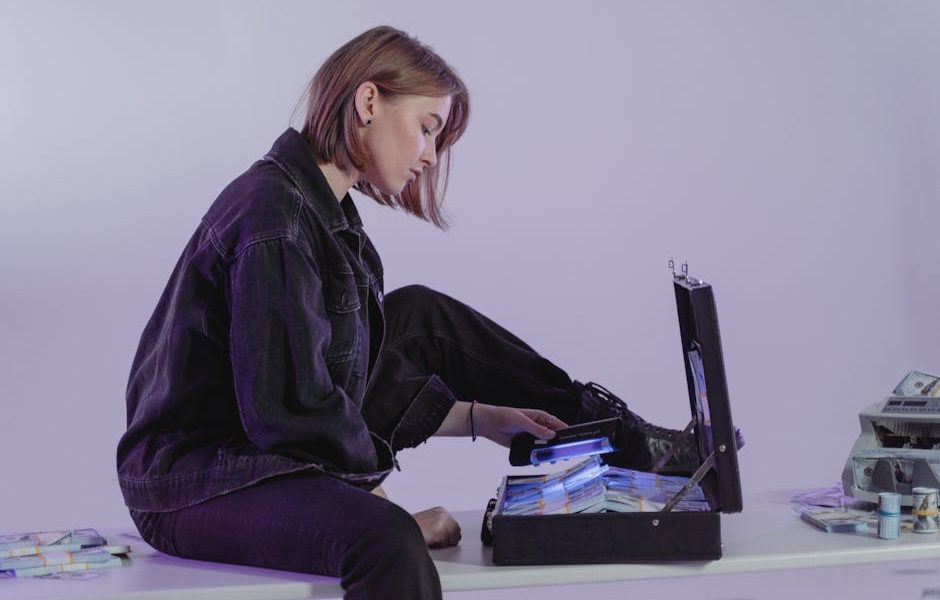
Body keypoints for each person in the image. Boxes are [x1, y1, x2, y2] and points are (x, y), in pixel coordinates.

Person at [116, 25, 700, 599]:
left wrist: (481, 418)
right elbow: (293, 410)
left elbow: (340, 375)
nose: (430, 155)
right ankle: (630, 448)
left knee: (422, 317)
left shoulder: (324, 211)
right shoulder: (277, 216)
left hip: (252, 444)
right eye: (427, 128)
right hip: (195, 482)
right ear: (369, 101)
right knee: (388, 541)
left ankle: (623, 441)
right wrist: (378, 506)